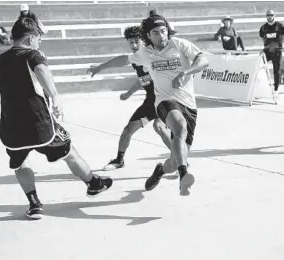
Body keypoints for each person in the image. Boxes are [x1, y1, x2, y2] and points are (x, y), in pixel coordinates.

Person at [0, 18, 113, 220]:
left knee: (21, 162)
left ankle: (34, 204)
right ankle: (93, 184)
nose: (39, 42)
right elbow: (41, 69)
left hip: (11, 126)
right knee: (69, 150)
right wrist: (56, 97)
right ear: (31, 38)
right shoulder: (31, 54)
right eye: (38, 38)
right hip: (39, 124)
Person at [90, 14, 209, 195]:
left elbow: (203, 60)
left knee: (173, 161)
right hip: (164, 101)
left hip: (189, 105)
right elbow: (123, 59)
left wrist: (186, 71)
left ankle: (161, 170)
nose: (161, 36)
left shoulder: (180, 44)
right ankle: (184, 174)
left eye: (163, 31)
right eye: (155, 32)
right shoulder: (145, 53)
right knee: (179, 125)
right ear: (148, 36)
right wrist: (100, 67)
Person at [87, 25, 172, 171]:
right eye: (130, 42)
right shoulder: (136, 59)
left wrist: (100, 67)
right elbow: (142, 79)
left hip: (164, 98)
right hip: (150, 101)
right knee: (128, 130)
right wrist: (129, 93)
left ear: (144, 41)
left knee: (159, 127)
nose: (133, 45)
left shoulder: (151, 55)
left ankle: (180, 159)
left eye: (136, 42)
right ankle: (119, 160)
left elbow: (122, 61)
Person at [259, 9, 284, 97]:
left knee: (276, 70)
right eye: (268, 15)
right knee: (259, 66)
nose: (269, 16)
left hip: (277, 51)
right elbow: (262, 37)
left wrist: (276, 45)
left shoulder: (280, 26)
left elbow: (282, 37)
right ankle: (261, 87)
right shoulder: (263, 27)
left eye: (271, 15)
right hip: (267, 50)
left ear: (274, 15)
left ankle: (276, 89)